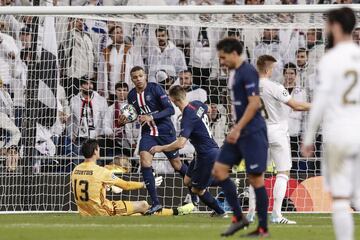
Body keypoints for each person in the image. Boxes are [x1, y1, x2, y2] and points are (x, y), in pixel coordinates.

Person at [302, 7, 360, 240]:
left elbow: (321, 101)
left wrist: (308, 138)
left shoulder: (331, 59)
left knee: (340, 198)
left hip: (338, 135)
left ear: (336, 26)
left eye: (328, 24)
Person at [213, 38, 269, 237]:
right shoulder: (234, 73)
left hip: (252, 133)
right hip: (239, 132)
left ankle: (263, 229)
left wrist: (236, 128)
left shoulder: (248, 72)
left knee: (256, 179)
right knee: (219, 171)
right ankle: (239, 217)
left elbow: (254, 104)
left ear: (234, 54)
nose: (221, 61)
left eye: (223, 57)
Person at [119, 66, 194, 214]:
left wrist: (151, 116)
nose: (138, 79)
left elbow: (170, 110)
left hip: (165, 131)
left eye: (141, 76)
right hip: (148, 133)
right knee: (145, 161)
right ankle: (156, 203)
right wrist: (125, 121)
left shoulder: (156, 89)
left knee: (177, 165)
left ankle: (196, 190)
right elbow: (137, 117)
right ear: (132, 79)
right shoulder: (132, 96)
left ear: (145, 75)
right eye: (135, 77)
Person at [247, 55, 310, 225]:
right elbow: (296, 106)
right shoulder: (274, 86)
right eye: (273, 68)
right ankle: (276, 214)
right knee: (283, 172)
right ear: (268, 69)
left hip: (258, 133)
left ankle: (251, 213)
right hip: (277, 132)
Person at [150, 85, 226, 217]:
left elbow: (180, 144)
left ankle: (221, 212)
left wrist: (160, 148)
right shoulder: (197, 104)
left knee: (197, 189)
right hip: (204, 152)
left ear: (173, 100)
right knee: (187, 181)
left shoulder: (186, 118)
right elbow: (207, 108)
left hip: (207, 154)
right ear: (184, 94)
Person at [71, 139, 194, 216]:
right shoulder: (101, 171)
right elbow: (126, 185)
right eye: (98, 149)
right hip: (103, 211)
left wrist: (106, 186)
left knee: (138, 214)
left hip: (85, 213)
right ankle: (178, 211)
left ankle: (177, 210)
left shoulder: (76, 169)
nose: (100, 150)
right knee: (144, 205)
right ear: (95, 151)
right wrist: (144, 184)